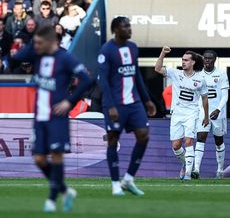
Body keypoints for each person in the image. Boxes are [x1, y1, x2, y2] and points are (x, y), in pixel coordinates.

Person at [13, 26, 92, 212]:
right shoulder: (37, 55)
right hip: (39, 117)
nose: (36, 46)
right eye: (35, 43)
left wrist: (69, 102)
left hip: (57, 117)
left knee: (57, 156)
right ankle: (65, 191)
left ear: (51, 42)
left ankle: (51, 200)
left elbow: (86, 79)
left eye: (40, 43)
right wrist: (34, 43)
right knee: (39, 159)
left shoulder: (65, 58)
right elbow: (16, 57)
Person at [98, 17, 157, 195]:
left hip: (134, 102)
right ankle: (115, 184)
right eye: (125, 26)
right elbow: (103, 81)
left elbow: (136, 74)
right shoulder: (106, 50)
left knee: (144, 136)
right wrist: (110, 106)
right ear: (115, 29)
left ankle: (128, 179)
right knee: (113, 140)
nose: (129, 29)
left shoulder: (132, 47)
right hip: (116, 104)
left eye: (129, 26)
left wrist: (147, 99)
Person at [154, 46, 209, 181]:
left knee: (189, 140)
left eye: (186, 60)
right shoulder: (175, 73)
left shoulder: (200, 79)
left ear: (193, 62)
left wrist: (206, 116)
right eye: (182, 60)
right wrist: (162, 54)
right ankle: (185, 162)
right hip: (177, 114)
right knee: (176, 146)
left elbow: (205, 99)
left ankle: (189, 174)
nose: (183, 62)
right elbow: (157, 69)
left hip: (192, 114)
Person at [191, 50, 228, 179]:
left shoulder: (221, 74)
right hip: (203, 112)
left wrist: (218, 109)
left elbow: (225, 95)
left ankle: (220, 170)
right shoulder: (198, 75)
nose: (207, 60)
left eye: (210, 58)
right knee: (201, 138)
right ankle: (196, 169)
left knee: (219, 141)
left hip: (218, 113)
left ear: (215, 59)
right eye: (205, 58)